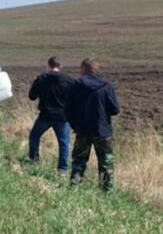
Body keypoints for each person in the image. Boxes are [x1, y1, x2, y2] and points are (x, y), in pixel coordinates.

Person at [64, 58, 120, 192]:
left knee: (79, 161)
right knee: (106, 163)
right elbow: (115, 109)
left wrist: (75, 125)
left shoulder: (76, 85)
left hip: (82, 130)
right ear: (97, 70)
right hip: (103, 131)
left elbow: (67, 110)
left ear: (83, 69)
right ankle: (107, 191)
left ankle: (74, 188)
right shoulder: (106, 86)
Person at [28, 56, 75, 173]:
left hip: (45, 115)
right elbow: (75, 99)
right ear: (60, 66)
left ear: (48, 65)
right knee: (64, 142)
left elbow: (32, 96)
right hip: (62, 117)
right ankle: (62, 169)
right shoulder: (69, 80)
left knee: (34, 136)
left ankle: (34, 159)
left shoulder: (41, 79)